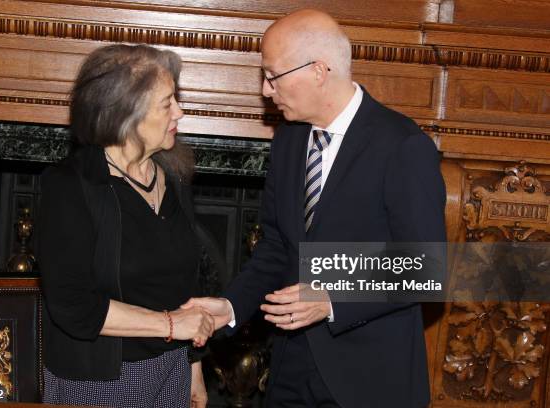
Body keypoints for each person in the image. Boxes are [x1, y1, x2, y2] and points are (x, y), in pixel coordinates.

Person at [182, 9, 446, 408]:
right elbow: (276, 247)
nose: (267, 90)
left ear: (319, 70)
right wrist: (232, 305)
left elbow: (426, 266)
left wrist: (330, 299)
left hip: (370, 381)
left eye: (273, 76)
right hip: (291, 367)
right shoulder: (289, 142)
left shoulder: (403, 146)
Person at [39, 44, 214, 408]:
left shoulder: (173, 176)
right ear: (125, 114)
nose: (180, 112)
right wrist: (169, 325)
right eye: (167, 104)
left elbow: (186, 283)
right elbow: (73, 306)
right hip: (101, 381)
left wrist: (193, 366)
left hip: (172, 368)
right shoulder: (70, 187)